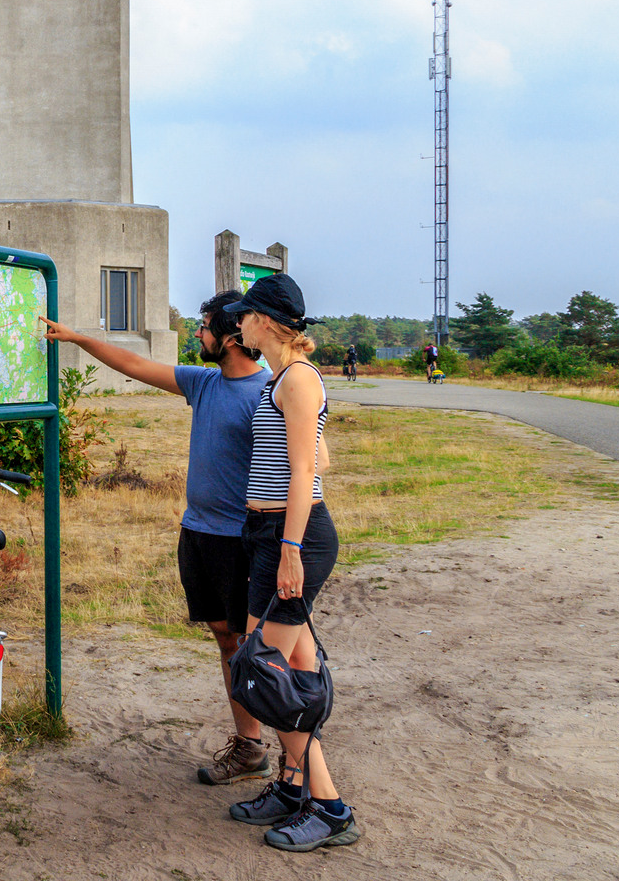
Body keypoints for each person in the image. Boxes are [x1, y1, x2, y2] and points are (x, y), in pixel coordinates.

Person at [43, 293, 272, 786]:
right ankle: (251, 746)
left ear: (233, 335)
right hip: (199, 534)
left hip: (243, 543)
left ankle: (287, 758)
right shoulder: (205, 382)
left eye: (205, 327)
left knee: (257, 647)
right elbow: (135, 364)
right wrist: (79, 338)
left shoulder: (271, 393)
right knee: (225, 639)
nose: (198, 335)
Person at [222, 273, 359, 851]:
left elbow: (307, 470)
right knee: (294, 678)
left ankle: (329, 809)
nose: (238, 324)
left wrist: (291, 549)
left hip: (289, 536)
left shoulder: (298, 379)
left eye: (245, 315)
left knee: (263, 675)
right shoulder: (285, 378)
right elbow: (318, 452)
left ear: (267, 322)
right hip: (270, 530)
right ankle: (293, 787)